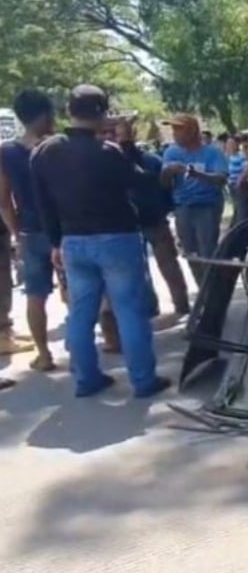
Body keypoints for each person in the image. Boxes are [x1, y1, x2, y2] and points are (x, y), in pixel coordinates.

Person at [30, 84, 169, 398]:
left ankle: (86, 379)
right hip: (117, 238)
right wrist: (129, 143)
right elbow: (142, 181)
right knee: (129, 310)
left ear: (69, 111)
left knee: (81, 313)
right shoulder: (109, 152)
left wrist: (55, 242)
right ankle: (143, 380)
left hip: (73, 241)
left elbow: (43, 204)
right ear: (103, 114)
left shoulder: (45, 151)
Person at [0, 91, 53, 383]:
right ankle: (80, 351)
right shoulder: (54, 147)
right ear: (45, 115)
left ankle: (44, 354)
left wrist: (15, 233)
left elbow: (4, 200)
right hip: (60, 229)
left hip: (29, 231)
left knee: (35, 294)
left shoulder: (6, 152)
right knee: (73, 291)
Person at [115, 117, 190, 315]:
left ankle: (178, 305)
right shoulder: (147, 161)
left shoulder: (147, 161)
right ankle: (165, 306)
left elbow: (165, 189)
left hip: (149, 220)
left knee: (164, 266)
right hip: (138, 222)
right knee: (148, 269)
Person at [161, 113, 228, 287]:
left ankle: (213, 289)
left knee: (207, 251)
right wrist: (167, 173)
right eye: (173, 129)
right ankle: (202, 290)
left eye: (179, 129)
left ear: (192, 131)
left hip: (207, 206)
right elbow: (165, 185)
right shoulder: (171, 152)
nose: (174, 133)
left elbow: (221, 178)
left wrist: (196, 174)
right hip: (182, 207)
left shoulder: (212, 152)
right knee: (190, 252)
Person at [226, 134, 248, 225]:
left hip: (240, 186)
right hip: (231, 185)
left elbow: (247, 168)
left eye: (231, 143)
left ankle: (243, 226)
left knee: (242, 209)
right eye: (228, 143)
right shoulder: (228, 157)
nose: (229, 146)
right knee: (237, 207)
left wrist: (240, 179)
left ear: (236, 144)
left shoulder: (241, 156)